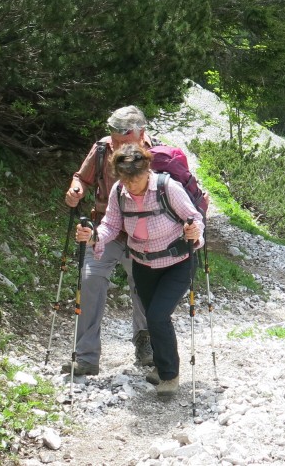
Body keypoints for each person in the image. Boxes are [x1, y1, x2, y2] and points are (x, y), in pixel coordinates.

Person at [76, 142, 204, 397]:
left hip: (177, 262)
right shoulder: (119, 191)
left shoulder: (168, 188)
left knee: (157, 316)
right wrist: (93, 237)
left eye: (136, 178)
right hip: (144, 264)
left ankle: (169, 376)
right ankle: (160, 364)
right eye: (126, 179)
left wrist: (194, 230)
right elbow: (111, 226)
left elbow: (195, 218)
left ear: (147, 169)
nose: (132, 185)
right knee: (152, 314)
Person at [62, 106, 154, 376]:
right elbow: (82, 177)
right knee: (90, 278)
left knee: (143, 286)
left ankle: (145, 344)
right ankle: (87, 356)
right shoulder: (102, 149)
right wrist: (76, 188)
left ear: (140, 135)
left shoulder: (154, 154)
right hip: (105, 227)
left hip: (142, 233)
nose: (115, 146)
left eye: (122, 142)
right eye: (113, 139)